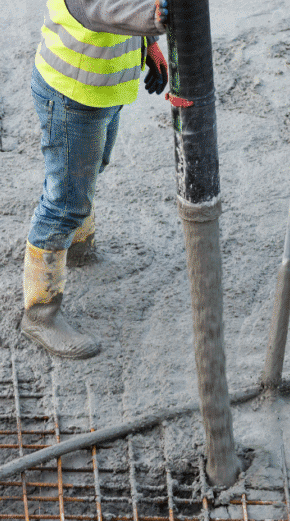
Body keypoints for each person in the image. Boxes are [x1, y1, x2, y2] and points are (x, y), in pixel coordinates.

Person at [23, 0, 171, 359]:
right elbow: (101, 7)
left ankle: (77, 248)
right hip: (72, 94)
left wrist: (146, 44)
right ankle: (40, 314)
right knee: (65, 204)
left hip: (101, 89)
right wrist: (153, 19)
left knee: (91, 170)